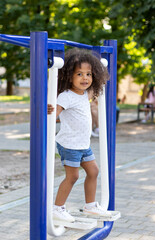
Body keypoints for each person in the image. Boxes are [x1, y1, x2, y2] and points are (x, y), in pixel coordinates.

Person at [47, 49, 109, 223]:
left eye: (88, 74)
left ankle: (90, 205)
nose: (85, 78)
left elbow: (95, 90)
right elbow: (54, 114)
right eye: (79, 74)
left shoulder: (84, 94)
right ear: (68, 76)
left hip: (82, 143)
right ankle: (57, 208)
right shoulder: (66, 96)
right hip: (69, 144)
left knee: (93, 171)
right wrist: (49, 110)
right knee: (73, 176)